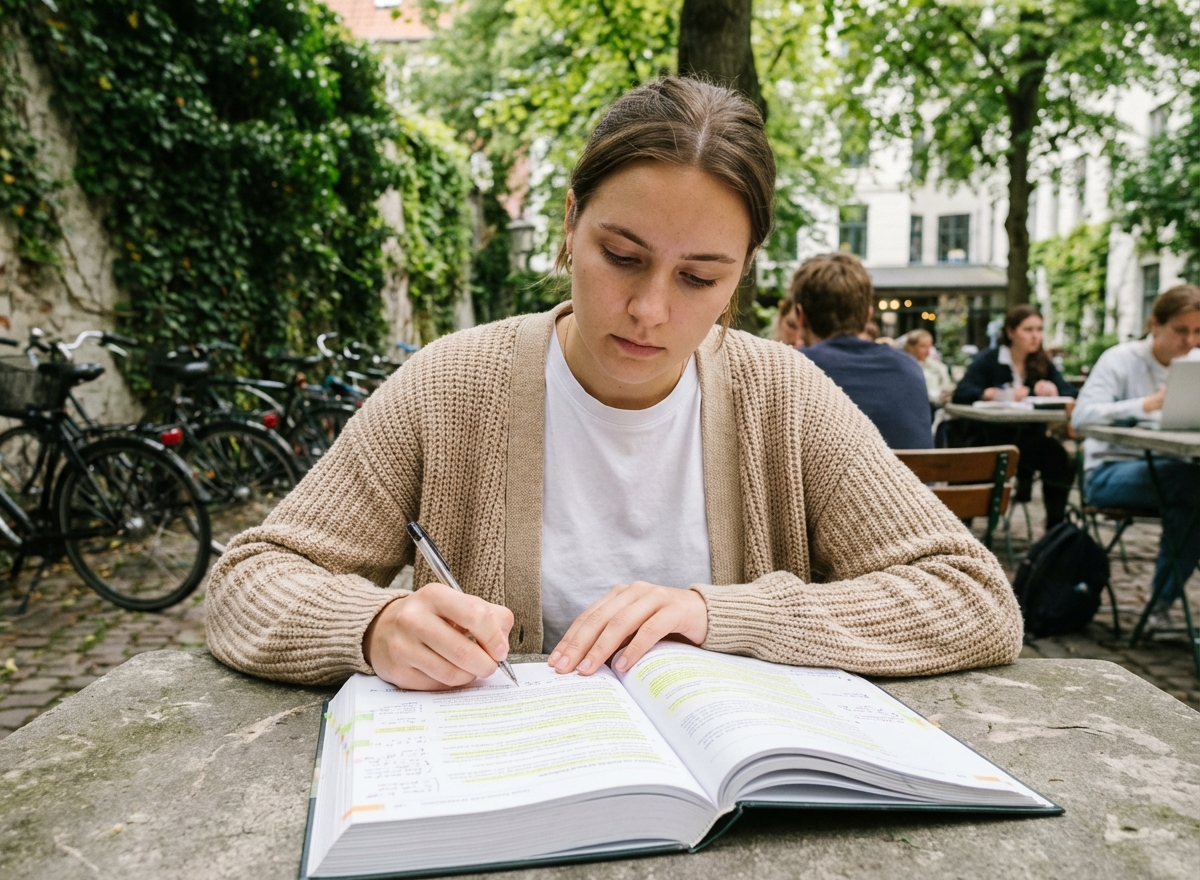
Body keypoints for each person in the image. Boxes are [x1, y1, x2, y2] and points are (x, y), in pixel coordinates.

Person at [206, 77, 1021, 692]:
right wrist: (374, 623)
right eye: (622, 256)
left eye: (699, 278)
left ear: (740, 281)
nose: (648, 310)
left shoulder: (785, 396)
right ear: (569, 225)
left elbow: (974, 598)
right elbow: (249, 579)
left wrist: (721, 615)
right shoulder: (449, 386)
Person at [1071, 285, 1200, 627]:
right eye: (1181, 330)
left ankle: (1161, 602)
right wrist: (1144, 405)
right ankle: (1159, 604)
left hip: (1176, 470)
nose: (1189, 341)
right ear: (1154, 324)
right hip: (1109, 473)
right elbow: (1081, 417)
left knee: (1190, 494)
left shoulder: (1196, 364)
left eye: (1198, 331)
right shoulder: (1120, 359)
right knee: (1191, 488)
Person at [951, 305, 1078, 529]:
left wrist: (1053, 390)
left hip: (1029, 440)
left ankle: (1055, 529)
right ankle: (960, 529)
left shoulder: (1042, 363)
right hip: (990, 439)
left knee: (1061, 459)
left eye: (1039, 329)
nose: (1035, 335)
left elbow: (1071, 394)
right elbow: (961, 394)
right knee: (972, 461)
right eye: (1028, 329)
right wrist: (989, 393)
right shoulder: (988, 360)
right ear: (1010, 332)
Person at [792, 253, 933, 450]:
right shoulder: (910, 367)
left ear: (801, 316)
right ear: (868, 315)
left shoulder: (792, 369)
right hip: (916, 480)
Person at [903, 329, 955, 409]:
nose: (927, 351)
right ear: (910, 346)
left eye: (929, 346)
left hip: (939, 407)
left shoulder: (936, 365)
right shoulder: (904, 366)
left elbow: (947, 386)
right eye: (923, 346)